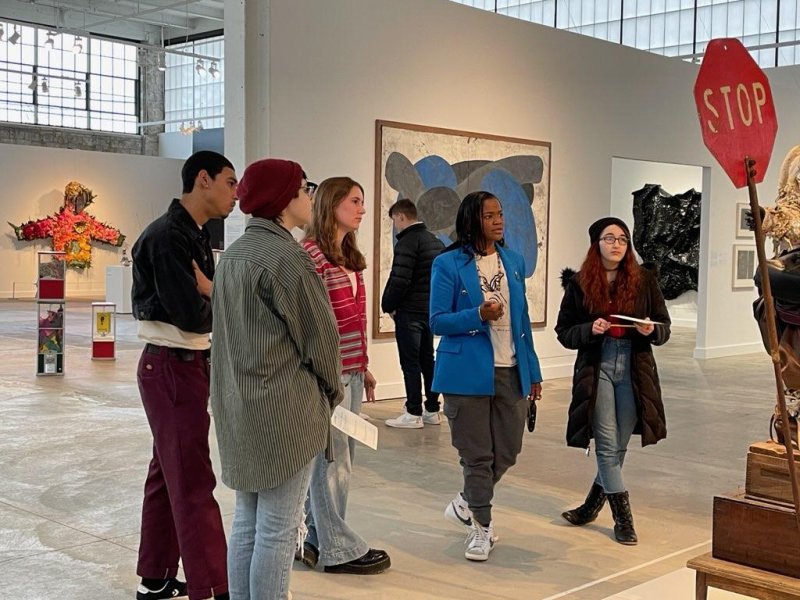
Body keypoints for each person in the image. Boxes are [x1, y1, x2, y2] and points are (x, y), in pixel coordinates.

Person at [210, 159, 344, 600]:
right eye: (305, 188)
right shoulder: (288, 259)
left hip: (239, 407)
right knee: (278, 529)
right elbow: (320, 342)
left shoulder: (232, 257)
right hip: (286, 411)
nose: (310, 197)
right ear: (285, 200)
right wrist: (332, 392)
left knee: (248, 521)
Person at [131, 150, 237, 600]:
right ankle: (211, 586)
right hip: (172, 367)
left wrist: (213, 295)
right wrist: (222, 301)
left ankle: (155, 577)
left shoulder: (191, 232)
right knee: (193, 480)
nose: (236, 193)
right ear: (203, 179)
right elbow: (192, 316)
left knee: (167, 472)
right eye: (230, 182)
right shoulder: (168, 236)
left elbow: (200, 309)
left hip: (182, 367)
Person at [429, 191, 543, 562]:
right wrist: (477, 314)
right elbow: (437, 321)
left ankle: (467, 501)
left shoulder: (513, 261)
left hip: (511, 370)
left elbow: (522, 322)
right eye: (490, 215)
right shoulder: (448, 264)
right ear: (472, 220)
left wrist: (534, 373)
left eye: (500, 213)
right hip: (465, 374)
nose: (499, 220)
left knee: (507, 451)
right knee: (477, 457)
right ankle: (482, 529)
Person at [555, 217, 671, 546]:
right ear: (597, 244)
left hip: (635, 367)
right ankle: (624, 521)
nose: (617, 244)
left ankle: (591, 505)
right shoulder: (579, 283)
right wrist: (589, 329)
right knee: (607, 446)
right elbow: (564, 332)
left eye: (622, 238)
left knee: (618, 447)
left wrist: (652, 329)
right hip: (598, 365)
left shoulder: (644, 279)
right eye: (609, 238)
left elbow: (664, 325)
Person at [297, 176, 392, 575]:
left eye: (363, 202)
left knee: (337, 459)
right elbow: (313, 323)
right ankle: (337, 547)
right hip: (327, 375)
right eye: (355, 201)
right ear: (332, 204)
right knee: (332, 463)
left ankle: (312, 540)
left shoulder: (349, 257)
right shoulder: (312, 256)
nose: (362, 209)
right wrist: (326, 374)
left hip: (351, 371)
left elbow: (355, 321)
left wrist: (364, 365)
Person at [381, 198, 445, 428]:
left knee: (410, 363)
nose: (395, 226)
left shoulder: (407, 242)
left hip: (409, 313)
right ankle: (432, 409)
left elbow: (399, 280)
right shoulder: (434, 241)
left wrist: (387, 304)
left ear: (400, 216)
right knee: (428, 361)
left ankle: (413, 412)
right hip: (429, 313)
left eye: (394, 221)